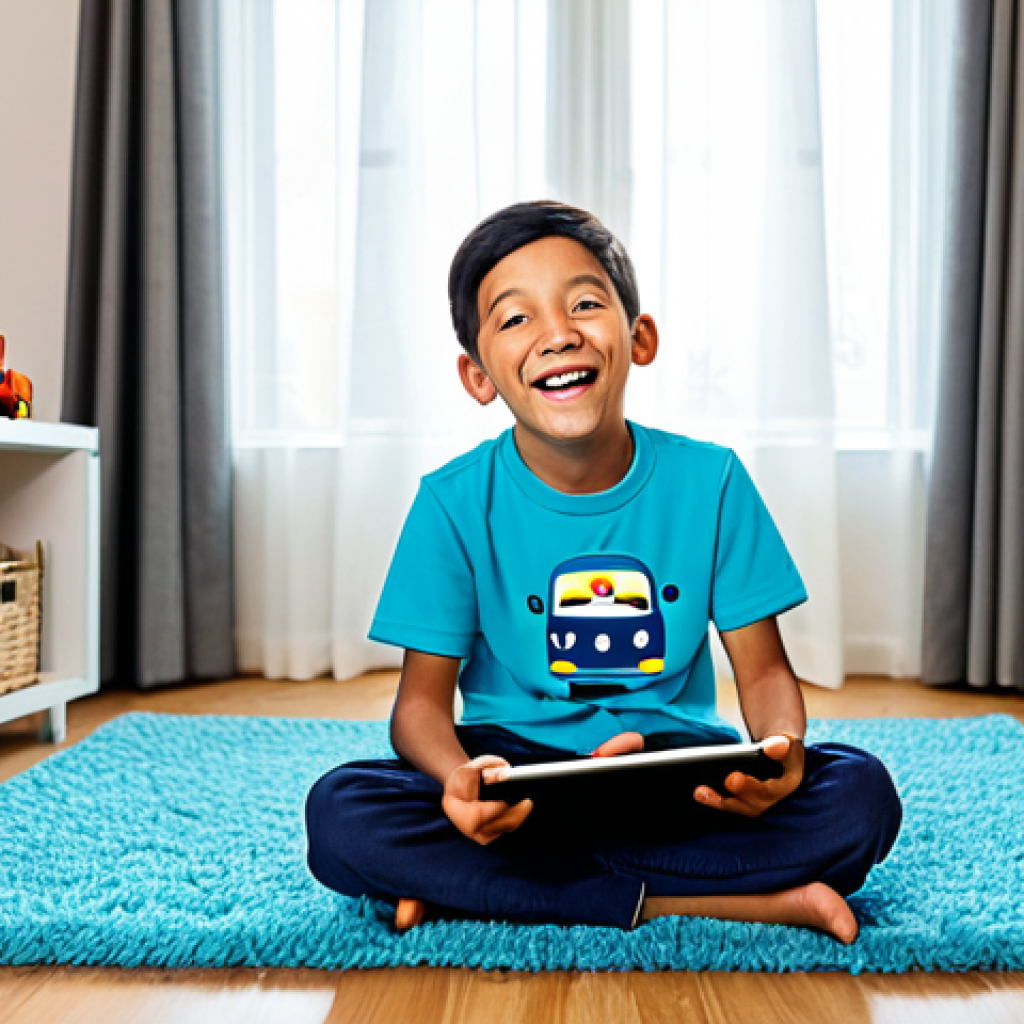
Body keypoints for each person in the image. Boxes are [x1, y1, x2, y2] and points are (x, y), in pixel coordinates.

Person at [305, 201, 902, 943]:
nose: (558, 334)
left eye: (585, 303)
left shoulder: (711, 481)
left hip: (673, 766)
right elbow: (418, 710)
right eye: (515, 319)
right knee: (341, 812)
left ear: (638, 337)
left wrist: (778, 754)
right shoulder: (452, 503)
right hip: (517, 778)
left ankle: (495, 892)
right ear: (477, 374)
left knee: (861, 796)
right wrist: (459, 781)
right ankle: (714, 898)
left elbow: (765, 675)